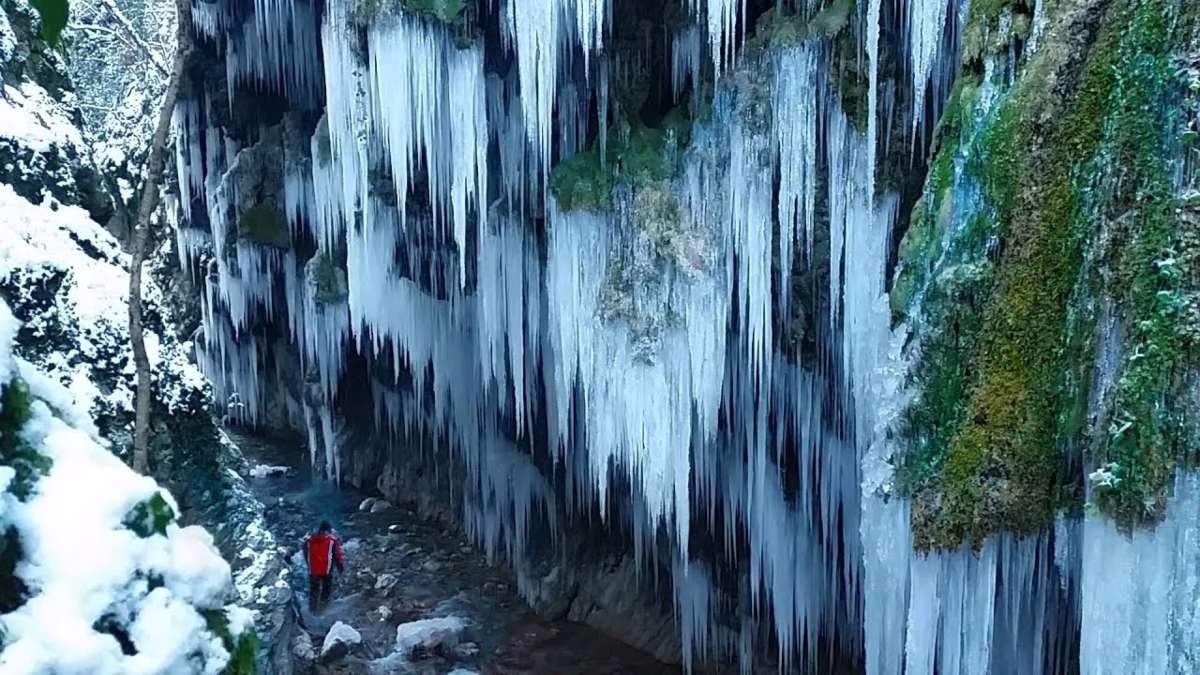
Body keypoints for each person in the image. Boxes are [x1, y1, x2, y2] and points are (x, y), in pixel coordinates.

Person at [304, 520, 345, 612]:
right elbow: (337, 555)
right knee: (326, 590)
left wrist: (309, 564)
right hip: (326, 569)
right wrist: (340, 568)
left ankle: (312, 609)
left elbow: (305, 553)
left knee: (314, 590)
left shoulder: (309, 541)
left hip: (313, 570)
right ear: (328, 530)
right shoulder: (332, 541)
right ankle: (323, 609)